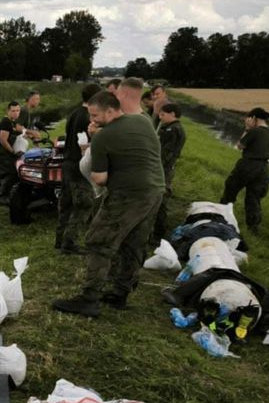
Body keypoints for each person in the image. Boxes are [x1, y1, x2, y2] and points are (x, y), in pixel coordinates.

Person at [52, 91, 165, 317]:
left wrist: (95, 140)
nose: (91, 120)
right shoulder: (142, 121)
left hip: (126, 195)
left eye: (95, 115)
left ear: (111, 110)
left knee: (98, 241)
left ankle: (89, 299)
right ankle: (120, 293)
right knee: (134, 243)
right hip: (155, 191)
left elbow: (99, 178)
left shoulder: (105, 136)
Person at [55, 82, 101, 254]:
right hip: (79, 166)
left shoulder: (74, 113)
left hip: (67, 163)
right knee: (83, 205)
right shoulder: (89, 118)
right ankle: (69, 243)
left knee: (65, 204)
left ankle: (59, 239)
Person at [221, 107, 269, 232]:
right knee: (254, 197)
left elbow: (240, 146)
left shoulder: (254, 131)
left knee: (231, 189)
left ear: (253, 118)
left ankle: (222, 215)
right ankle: (253, 227)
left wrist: (247, 128)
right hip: (263, 169)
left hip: (248, 165)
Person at [152, 102, 187, 240]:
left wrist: (156, 167)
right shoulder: (172, 127)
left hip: (164, 170)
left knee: (161, 201)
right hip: (165, 168)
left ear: (172, 114)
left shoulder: (173, 130)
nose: (161, 117)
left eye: (163, 114)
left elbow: (166, 153)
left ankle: (159, 235)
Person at [0, 101, 23, 205]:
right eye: (13, 111)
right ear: (8, 111)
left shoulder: (11, 122)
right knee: (12, 171)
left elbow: (18, 131)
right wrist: (13, 152)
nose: (15, 113)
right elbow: (3, 141)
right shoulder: (6, 122)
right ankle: (2, 196)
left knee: (0, 174)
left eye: (17, 110)